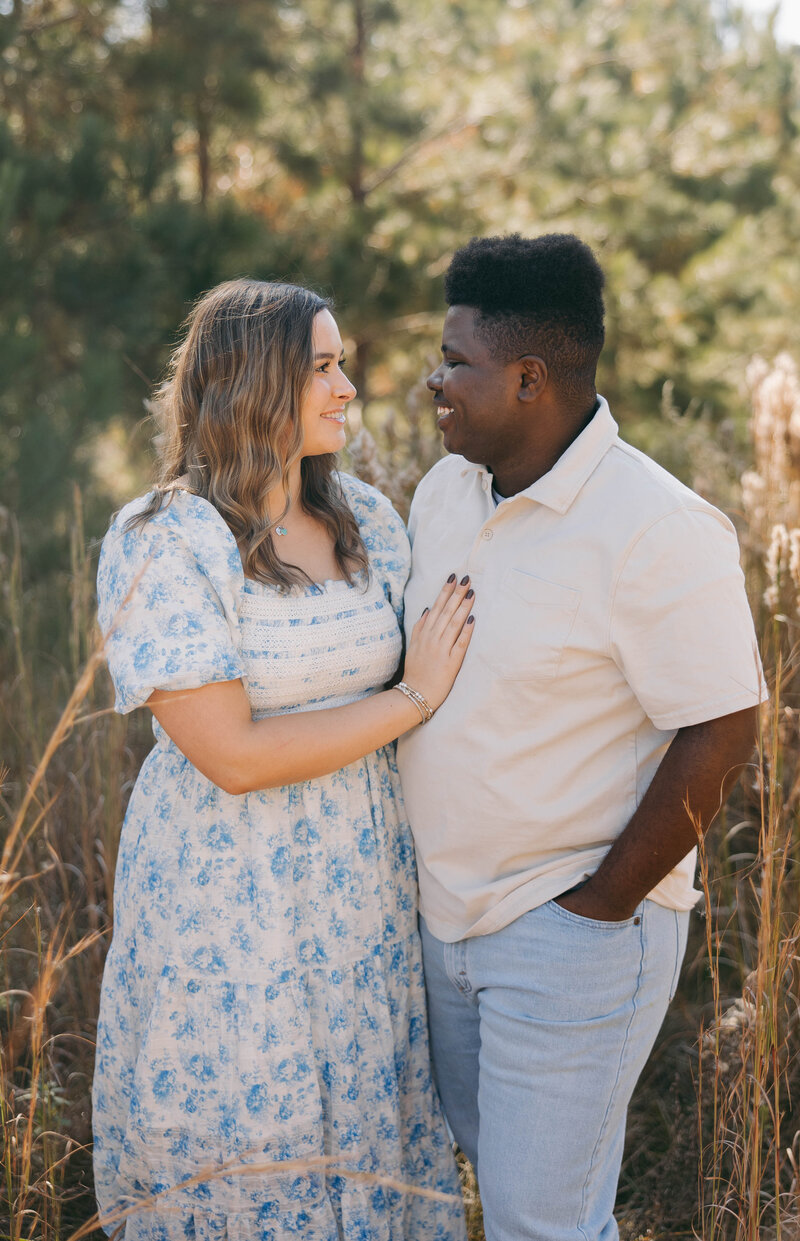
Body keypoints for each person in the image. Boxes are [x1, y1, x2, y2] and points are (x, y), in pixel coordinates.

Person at [396, 234, 766, 1241]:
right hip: (447, 925)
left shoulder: (654, 525)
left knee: (540, 1220)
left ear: (526, 379)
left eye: (454, 359)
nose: (434, 379)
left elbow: (724, 722)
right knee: (510, 1201)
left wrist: (595, 908)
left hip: (566, 933)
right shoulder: (443, 493)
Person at [92, 278, 473, 1241]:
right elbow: (232, 754)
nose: (349, 386)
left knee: (366, 1124)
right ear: (252, 383)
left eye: (343, 364)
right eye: (322, 366)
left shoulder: (371, 524)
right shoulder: (165, 539)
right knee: (250, 1133)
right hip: (232, 896)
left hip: (365, 890)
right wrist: (411, 697)